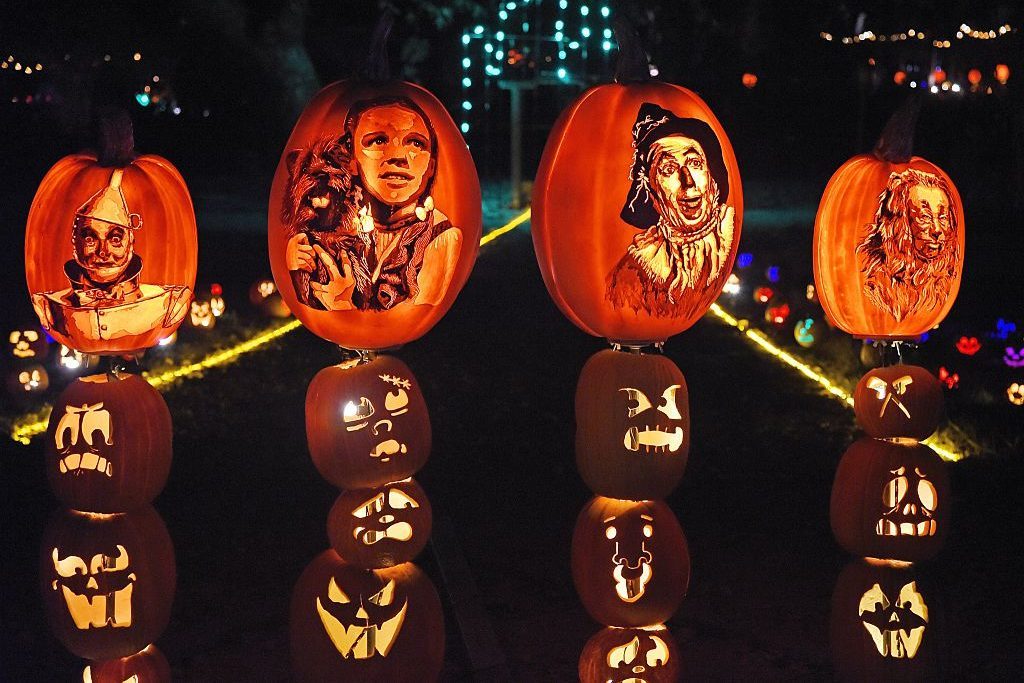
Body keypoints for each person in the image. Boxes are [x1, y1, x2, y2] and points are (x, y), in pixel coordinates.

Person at [284, 96, 462, 312]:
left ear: (431, 165)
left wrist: (343, 307)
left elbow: (410, 320)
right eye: (378, 141)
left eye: (416, 143)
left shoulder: (440, 237)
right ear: (352, 160)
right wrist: (297, 268)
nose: (398, 156)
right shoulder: (339, 226)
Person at [31, 169, 191, 348]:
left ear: (130, 242)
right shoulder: (49, 307)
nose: (103, 252)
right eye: (90, 239)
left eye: (115, 239)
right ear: (75, 244)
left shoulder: (168, 303)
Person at [606, 102, 735, 318]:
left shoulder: (729, 235)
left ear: (711, 174)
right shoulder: (635, 273)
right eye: (669, 169)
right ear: (652, 187)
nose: (688, 182)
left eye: (695, 163)